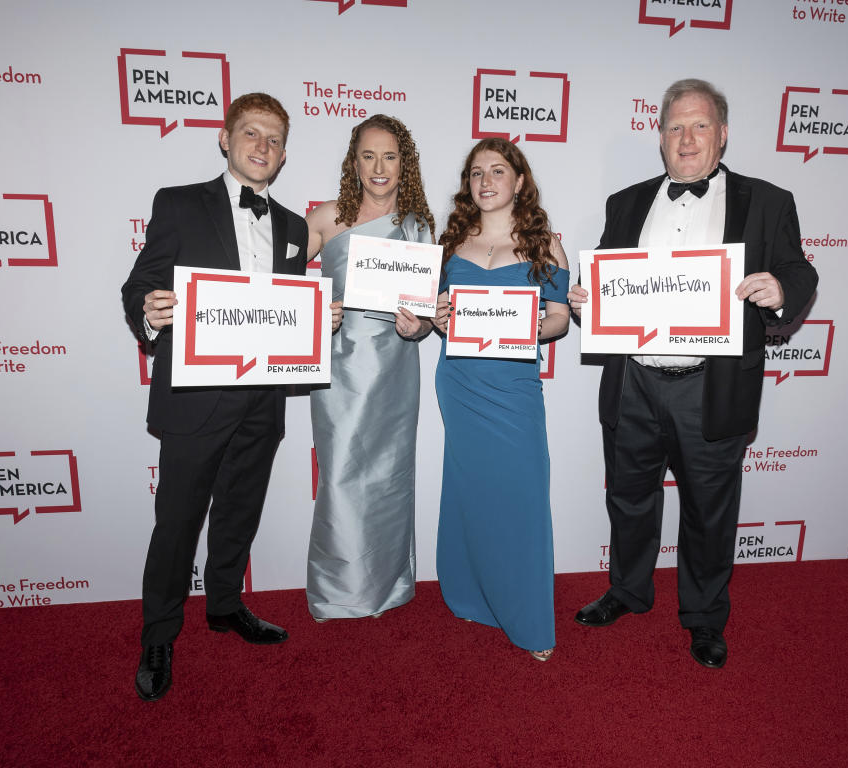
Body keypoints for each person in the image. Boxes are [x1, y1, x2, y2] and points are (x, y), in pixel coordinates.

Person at [569, 79, 818, 668]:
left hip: (711, 385)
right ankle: (628, 591)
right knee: (629, 498)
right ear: (659, 137)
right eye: (675, 126)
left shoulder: (767, 200)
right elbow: (615, 286)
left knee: (709, 509)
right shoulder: (625, 203)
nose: (686, 138)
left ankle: (705, 618)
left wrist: (782, 289)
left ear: (722, 134)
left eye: (700, 125)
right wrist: (591, 302)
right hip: (634, 382)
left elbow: (798, 269)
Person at [123, 93, 341, 701]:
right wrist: (149, 311)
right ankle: (159, 634)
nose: (261, 147)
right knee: (177, 523)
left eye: (273, 139)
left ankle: (224, 605)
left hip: (262, 400)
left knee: (240, 509)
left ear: (284, 153)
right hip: (195, 398)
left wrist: (320, 320)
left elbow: (288, 310)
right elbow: (141, 283)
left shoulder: (297, 228)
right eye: (250, 134)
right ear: (225, 138)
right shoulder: (179, 203)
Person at [433, 138, 569, 661]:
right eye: (475, 174)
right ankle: (472, 595)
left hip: (513, 390)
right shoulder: (449, 244)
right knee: (470, 492)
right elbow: (428, 316)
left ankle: (530, 620)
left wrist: (540, 324)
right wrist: (435, 319)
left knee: (523, 499)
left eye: (496, 171)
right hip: (460, 385)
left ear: (518, 180)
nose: (485, 182)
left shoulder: (543, 244)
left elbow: (558, 317)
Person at [304, 114, 436, 621]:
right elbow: (280, 293)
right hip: (340, 370)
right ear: (353, 160)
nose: (378, 167)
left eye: (390, 156)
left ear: (405, 163)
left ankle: (388, 585)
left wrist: (417, 329)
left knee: (389, 478)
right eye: (368, 155)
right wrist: (318, 315)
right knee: (339, 476)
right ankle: (339, 590)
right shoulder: (324, 218)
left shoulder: (419, 225)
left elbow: (425, 319)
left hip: (396, 369)